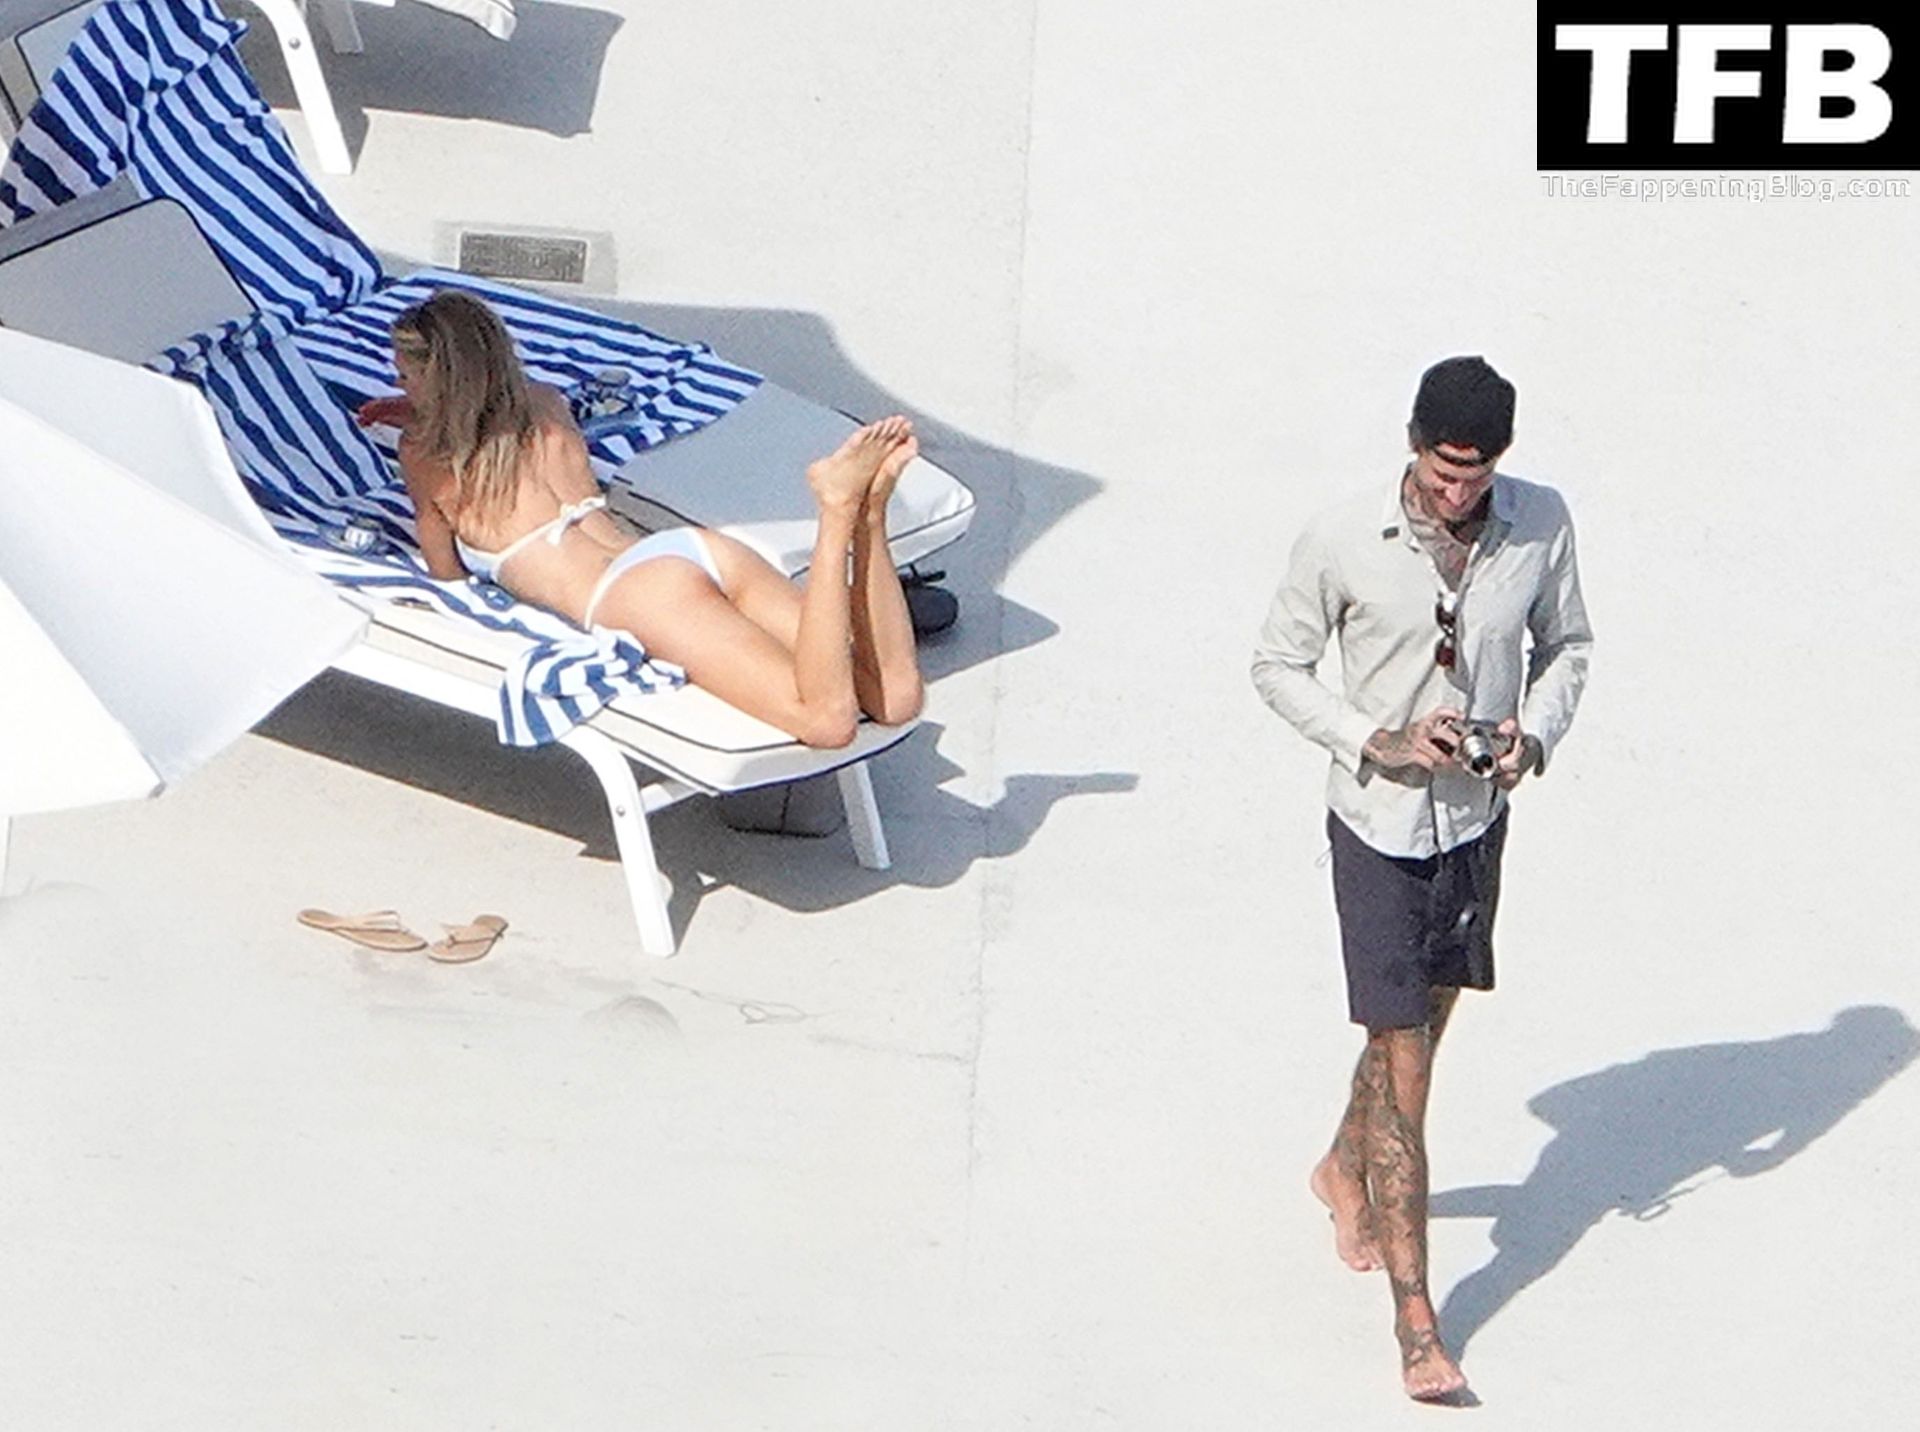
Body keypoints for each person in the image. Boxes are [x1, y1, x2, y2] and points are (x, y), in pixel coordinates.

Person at [1249, 355, 1593, 1401]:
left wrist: (1531, 736)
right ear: (1413, 446)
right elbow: (1275, 665)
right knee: (1407, 1067)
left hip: (1475, 826)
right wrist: (1377, 738)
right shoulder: (1344, 537)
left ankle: (1338, 1166)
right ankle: (1417, 1320)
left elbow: (1569, 645)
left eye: (1475, 477)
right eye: (1442, 474)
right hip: (1377, 829)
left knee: (1419, 1028)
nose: (1456, 493)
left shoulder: (1540, 524)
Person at [355, 290, 924, 748]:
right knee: (893, 696)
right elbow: (485, 406)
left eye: (405, 376)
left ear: (437, 380)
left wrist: (418, 428)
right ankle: (869, 513)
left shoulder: (425, 457)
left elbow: (445, 572)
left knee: (825, 720)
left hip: (630, 595)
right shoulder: (546, 403)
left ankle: (837, 510)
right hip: (691, 549)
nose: (398, 384)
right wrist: (422, 405)